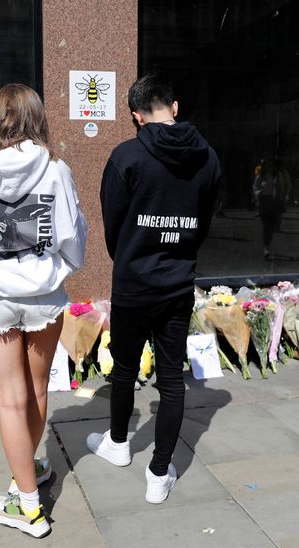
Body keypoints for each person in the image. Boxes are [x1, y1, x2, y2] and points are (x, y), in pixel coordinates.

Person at [0, 83, 87, 538]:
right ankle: (32, 472)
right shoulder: (55, 169)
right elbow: (72, 236)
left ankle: (28, 505)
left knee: (10, 398)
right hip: (44, 296)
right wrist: (53, 270)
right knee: (37, 389)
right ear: (36, 118)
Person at [88, 73, 220, 504]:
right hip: (177, 284)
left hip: (134, 284)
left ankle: (119, 444)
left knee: (124, 371)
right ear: (174, 107)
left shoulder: (126, 157)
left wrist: (132, 255)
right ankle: (159, 472)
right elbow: (203, 224)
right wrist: (177, 252)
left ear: (135, 116)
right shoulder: (209, 159)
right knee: (171, 382)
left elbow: (113, 228)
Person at [252, 159, 291, 259]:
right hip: (265, 201)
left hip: (276, 202)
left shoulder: (280, 175)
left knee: (272, 226)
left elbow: (287, 186)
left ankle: (267, 245)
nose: (269, 167)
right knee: (267, 226)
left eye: (271, 165)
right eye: (267, 165)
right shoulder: (260, 176)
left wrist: (285, 196)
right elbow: (255, 188)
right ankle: (266, 248)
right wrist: (259, 193)